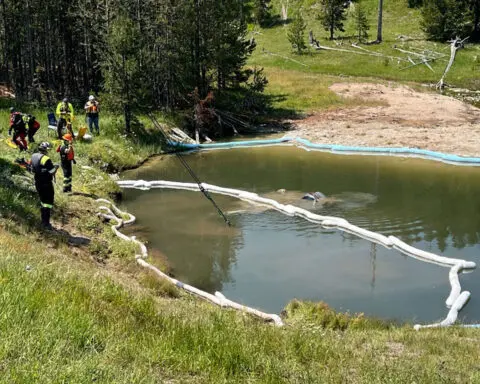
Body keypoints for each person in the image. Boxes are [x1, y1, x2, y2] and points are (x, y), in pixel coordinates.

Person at [31, 142, 59, 230]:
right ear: (46, 150)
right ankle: (46, 223)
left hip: (38, 182)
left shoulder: (34, 155)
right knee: (48, 202)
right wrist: (56, 167)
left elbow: (33, 168)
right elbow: (52, 172)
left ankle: (43, 220)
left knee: (43, 201)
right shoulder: (46, 159)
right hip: (46, 183)